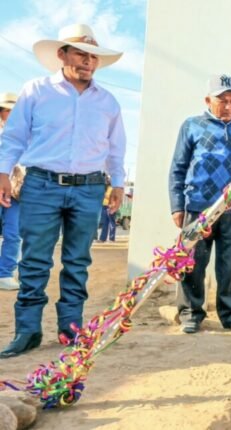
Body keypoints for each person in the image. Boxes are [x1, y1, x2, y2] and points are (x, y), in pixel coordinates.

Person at [0, 24, 126, 358]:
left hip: (89, 188)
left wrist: (117, 182)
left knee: (77, 261)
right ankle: (27, 331)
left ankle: (71, 328)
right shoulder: (36, 91)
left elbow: (116, 148)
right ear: (62, 54)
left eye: (93, 57)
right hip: (40, 185)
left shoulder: (108, 102)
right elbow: (14, 137)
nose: (88, 61)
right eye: (81, 54)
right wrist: (2, 172)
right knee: (34, 260)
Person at [169, 74, 231, 336]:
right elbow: (178, 168)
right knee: (192, 263)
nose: (228, 106)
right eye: (222, 101)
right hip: (199, 208)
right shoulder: (192, 126)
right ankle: (190, 314)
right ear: (208, 101)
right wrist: (177, 205)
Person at [0, 93, 22, 291]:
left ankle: (5, 274)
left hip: (14, 192)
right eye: (9, 110)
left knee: (14, 234)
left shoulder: (23, 136)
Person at [98, 178, 117, 242]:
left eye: (109, 180)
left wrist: (106, 196)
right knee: (105, 223)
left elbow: (114, 198)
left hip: (110, 206)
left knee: (111, 223)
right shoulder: (106, 188)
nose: (107, 181)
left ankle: (112, 238)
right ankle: (102, 239)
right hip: (104, 206)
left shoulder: (114, 188)